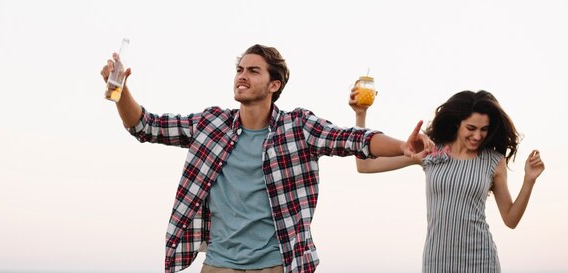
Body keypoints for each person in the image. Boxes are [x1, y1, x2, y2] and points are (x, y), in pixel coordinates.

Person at [101, 44, 434, 273]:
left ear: (274, 84)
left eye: (253, 71)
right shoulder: (210, 124)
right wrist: (120, 90)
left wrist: (403, 147)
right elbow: (145, 126)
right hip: (219, 264)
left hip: (278, 265)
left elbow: (355, 139)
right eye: (240, 69)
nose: (242, 76)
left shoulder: (298, 127)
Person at [349, 88, 546, 273]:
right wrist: (360, 114)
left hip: (481, 261)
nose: (477, 136)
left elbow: (511, 220)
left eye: (484, 129)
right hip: (437, 262)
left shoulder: (494, 161)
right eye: (471, 128)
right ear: (457, 123)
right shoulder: (431, 151)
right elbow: (365, 166)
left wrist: (529, 180)